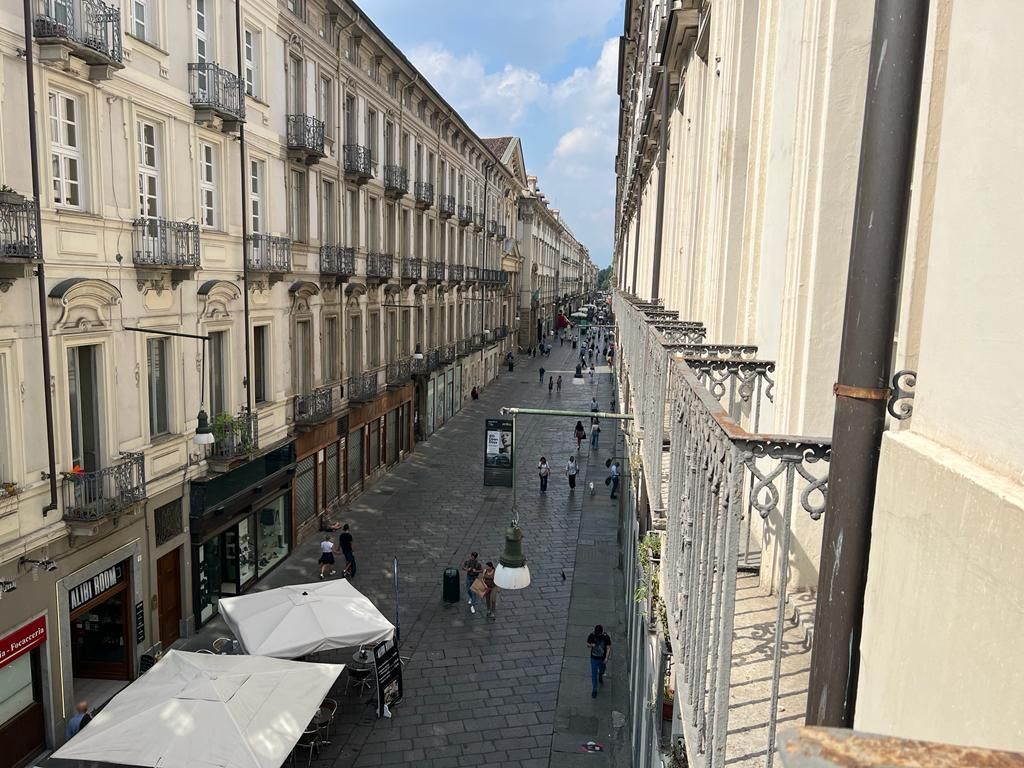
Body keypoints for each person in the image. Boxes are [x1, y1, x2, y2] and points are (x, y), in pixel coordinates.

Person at [587, 625, 612, 698]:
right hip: (594, 658)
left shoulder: (606, 637)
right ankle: (594, 689)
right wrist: (591, 645)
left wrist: (606, 658)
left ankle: (600, 675)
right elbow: (587, 644)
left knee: (602, 670)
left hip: (602, 658)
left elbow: (608, 647)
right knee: (594, 674)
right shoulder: (592, 636)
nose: (597, 635)